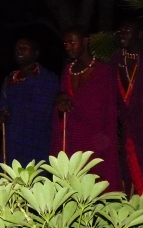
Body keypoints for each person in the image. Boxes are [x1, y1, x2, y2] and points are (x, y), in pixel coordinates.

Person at [52, 27, 121, 192]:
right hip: (71, 138)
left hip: (96, 139)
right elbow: (61, 104)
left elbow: (110, 110)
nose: (68, 47)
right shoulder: (67, 71)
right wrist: (60, 101)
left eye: (72, 42)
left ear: (85, 41)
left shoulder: (104, 71)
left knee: (96, 184)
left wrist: (107, 143)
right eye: (65, 44)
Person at [110, 18, 143, 196]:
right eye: (119, 31)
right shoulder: (116, 60)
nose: (121, 34)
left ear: (140, 35)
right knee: (129, 172)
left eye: (127, 31)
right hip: (128, 129)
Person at [0, 39, 59, 167]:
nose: (19, 50)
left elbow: (51, 111)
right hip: (13, 143)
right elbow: (2, 108)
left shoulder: (48, 79)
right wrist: (1, 116)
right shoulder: (10, 80)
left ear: (36, 53)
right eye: (17, 48)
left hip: (38, 142)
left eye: (24, 48)